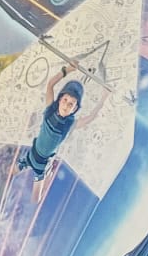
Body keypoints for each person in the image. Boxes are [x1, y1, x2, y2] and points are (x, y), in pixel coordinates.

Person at [17, 66, 107, 206]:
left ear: (74, 109)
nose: (66, 105)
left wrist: (103, 98)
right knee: (12, 171)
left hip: (43, 164)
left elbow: (90, 117)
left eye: (71, 104)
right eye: (65, 100)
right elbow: (50, 84)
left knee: (36, 199)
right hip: (32, 154)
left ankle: (48, 175)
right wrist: (67, 70)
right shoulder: (49, 110)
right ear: (59, 99)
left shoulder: (69, 125)